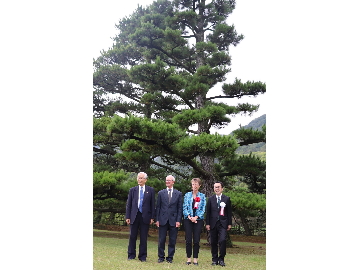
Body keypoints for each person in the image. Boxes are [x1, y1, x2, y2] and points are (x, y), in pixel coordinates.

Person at [125, 172, 155, 262]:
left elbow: (152, 205)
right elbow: (129, 204)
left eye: (142, 178)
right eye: (138, 178)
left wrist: (152, 217)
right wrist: (128, 216)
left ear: (145, 180)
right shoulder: (133, 190)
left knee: (143, 237)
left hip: (145, 216)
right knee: (132, 236)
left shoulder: (150, 190)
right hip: (134, 215)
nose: (140, 179)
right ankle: (131, 255)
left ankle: (142, 256)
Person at [155, 175, 183, 263]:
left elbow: (179, 208)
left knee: (172, 240)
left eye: (169, 180)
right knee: (161, 239)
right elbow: (158, 207)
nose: (167, 182)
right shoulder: (161, 193)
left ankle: (170, 257)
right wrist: (157, 219)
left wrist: (178, 220)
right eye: (166, 180)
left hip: (174, 220)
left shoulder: (178, 194)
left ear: (173, 182)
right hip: (162, 219)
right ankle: (161, 257)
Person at [205, 181, 232, 267]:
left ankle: (221, 259)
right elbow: (208, 212)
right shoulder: (210, 199)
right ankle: (214, 259)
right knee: (213, 242)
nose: (217, 188)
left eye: (218, 187)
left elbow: (229, 212)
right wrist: (207, 223)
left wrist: (229, 223)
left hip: (223, 223)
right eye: (215, 187)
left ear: (222, 188)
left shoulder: (226, 199)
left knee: (222, 240)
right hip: (213, 223)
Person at [183, 178, 206, 265]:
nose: (194, 186)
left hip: (198, 220)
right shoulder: (187, 195)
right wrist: (189, 216)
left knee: (196, 240)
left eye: (196, 184)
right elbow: (184, 207)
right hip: (188, 219)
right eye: (193, 184)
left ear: (199, 186)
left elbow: (203, 209)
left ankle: (195, 258)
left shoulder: (202, 196)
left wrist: (196, 217)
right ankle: (188, 258)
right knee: (188, 240)